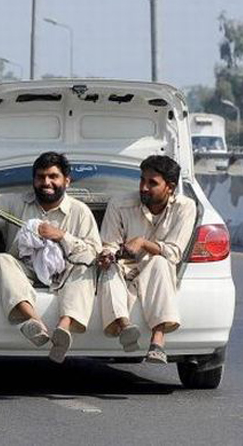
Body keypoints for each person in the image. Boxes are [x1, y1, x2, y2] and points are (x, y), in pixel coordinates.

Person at [0, 152, 101, 363]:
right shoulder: (16, 202)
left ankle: (63, 330)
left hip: (64, 275)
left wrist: (62, 236)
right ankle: (34, 322)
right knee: (1, 259)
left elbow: (93, 252)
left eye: (53, 177)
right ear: (34, 180)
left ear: (67, 181)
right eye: (41, 177)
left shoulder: (80, 211)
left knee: (85, 267)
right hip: (25, 272)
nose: (46, 182)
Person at [97, 155, 197, 364]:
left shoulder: (185, 207)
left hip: (158, 275)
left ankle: (157, 342)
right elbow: (109, 245)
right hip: (124, 272)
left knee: (160, 261)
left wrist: (142, 243)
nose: (143, 187)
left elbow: (174, 253)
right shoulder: (120, 204)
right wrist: (108, 255)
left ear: (170, 187)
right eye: (142, 180)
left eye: (152, 183)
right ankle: (125, 327)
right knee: (109, 268)